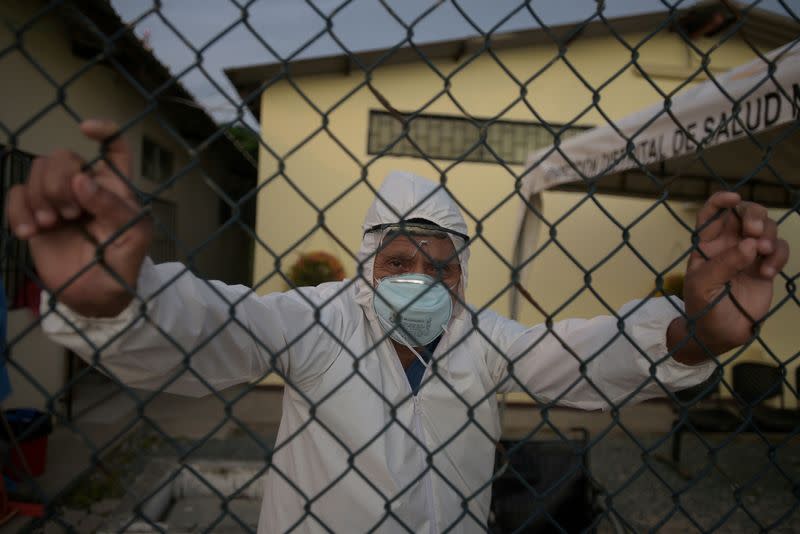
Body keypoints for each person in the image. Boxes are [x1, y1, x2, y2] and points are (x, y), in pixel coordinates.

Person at [5, 120, 790, 532]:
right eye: (399, 262)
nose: (423, 280)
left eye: (441, 265)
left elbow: (582, 356)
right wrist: (117, 299)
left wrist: (699, 331)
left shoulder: (481, 340)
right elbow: (219, 326)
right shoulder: (318, 321)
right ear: (365, 264)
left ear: (463, 273)